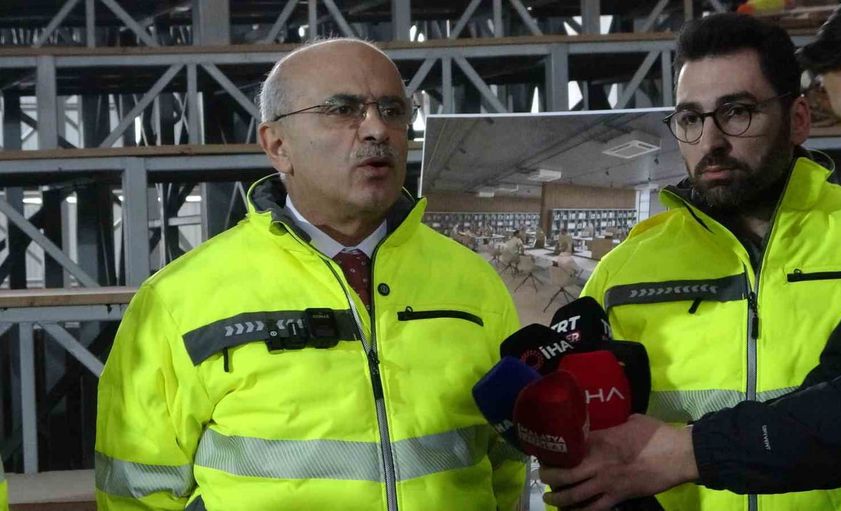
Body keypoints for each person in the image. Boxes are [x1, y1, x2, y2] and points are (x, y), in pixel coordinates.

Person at [94, 38, 526, 510]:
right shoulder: (178, 299)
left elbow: (507, 465)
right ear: (277, 145)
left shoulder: (473, 283)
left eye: (392, 110)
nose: (376, 129)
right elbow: (136, 492)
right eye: (342, 110)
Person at [540, 4, 841, 510]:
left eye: (737, 112)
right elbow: (592, 460)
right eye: (690, 118)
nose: (711, 141)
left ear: (798, 120)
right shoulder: (624, 273)